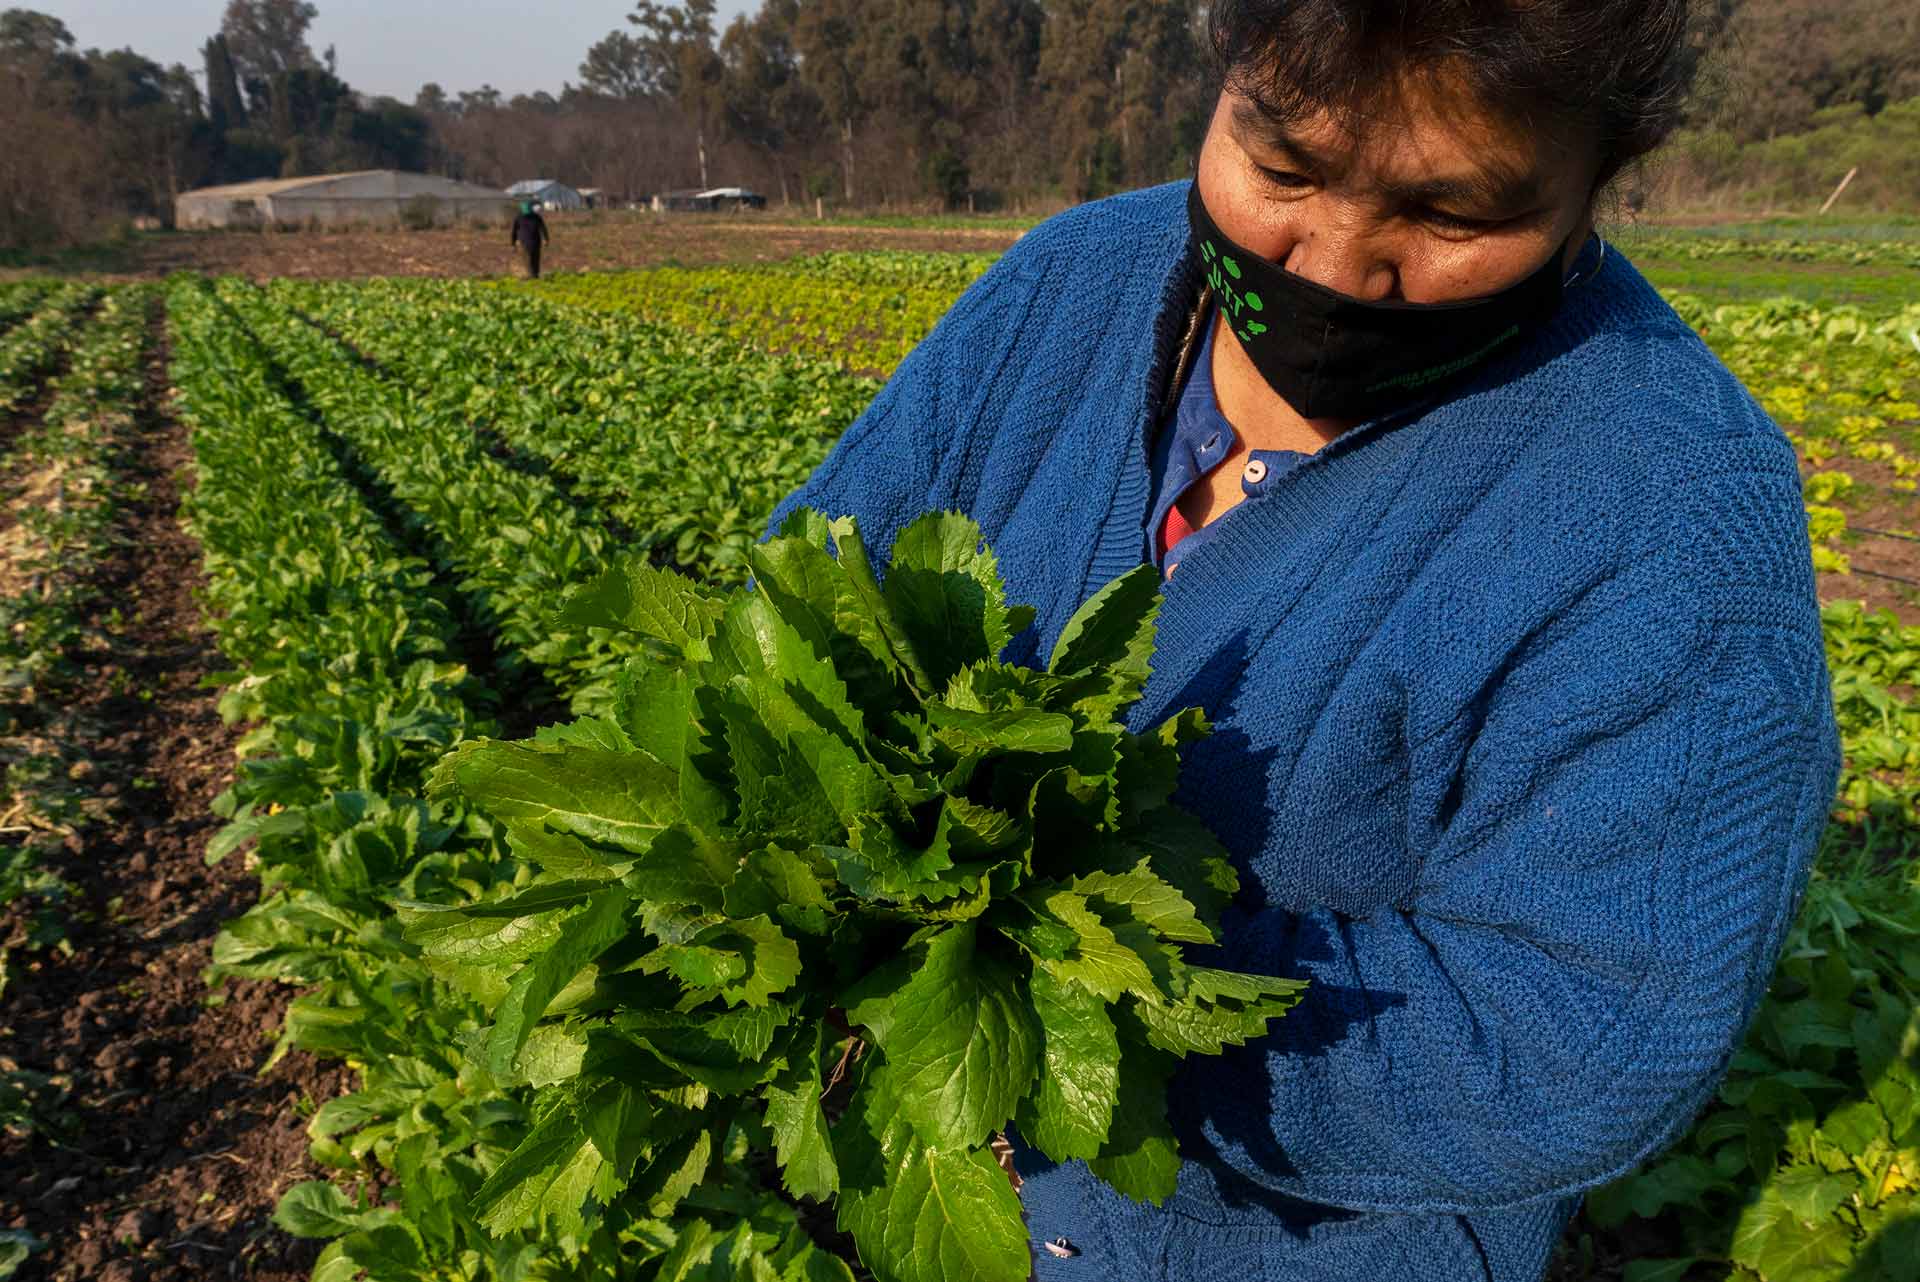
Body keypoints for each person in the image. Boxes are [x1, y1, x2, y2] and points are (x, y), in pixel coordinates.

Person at [768, 1, 1842, 1278]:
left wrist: (1075, 994)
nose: (1333, 263)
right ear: (1221, 78)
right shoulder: (1067, 290)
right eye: (1280, 166)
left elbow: (1588, 1035)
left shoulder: (1670, 509)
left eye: (1451, 217)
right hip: (929, 1195)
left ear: (1594, 181)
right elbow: (806, 601)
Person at [510, 200, 549, 279]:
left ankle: (535, 275)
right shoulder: (518, 218)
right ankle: (530, 275)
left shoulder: (537, 217)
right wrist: (513, 243)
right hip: (524, 243)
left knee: (535, 259)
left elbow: (543, 228)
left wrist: (546, 239)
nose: (527, 215)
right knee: (528, 260)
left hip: (535, 242)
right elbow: (514, 231)